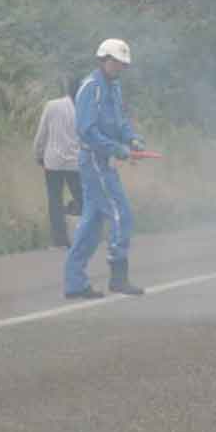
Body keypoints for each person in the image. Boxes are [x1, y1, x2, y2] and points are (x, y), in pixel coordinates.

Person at [64, 39, 147, 299]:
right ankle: (118, 276)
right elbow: (86, 131)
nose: (120, 68)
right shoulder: (91, 88)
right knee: (121, 214)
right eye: (117, 63)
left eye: (123, 65)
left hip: (104, 160)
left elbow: (120, 122)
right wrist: (117, 149)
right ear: (104, 60)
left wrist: (131, 139)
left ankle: (74, 283)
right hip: (94, 162)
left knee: (90, 224)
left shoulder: (114, 87)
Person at [34, 76, 84, 249]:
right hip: (75, 163)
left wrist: (38, 154)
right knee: (81, 198)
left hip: (53, 161)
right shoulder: (84, 109)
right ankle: (82, 234)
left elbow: (42, 133)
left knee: (54, 200)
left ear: (67, 88)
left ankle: (60, 241)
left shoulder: (52, 105)